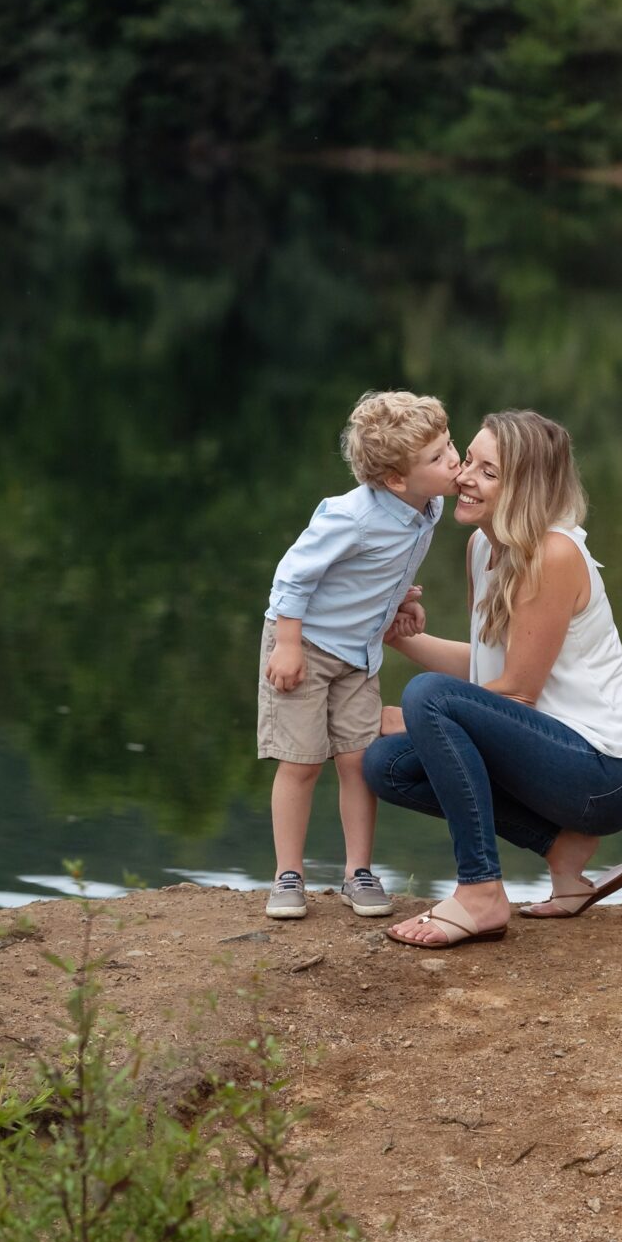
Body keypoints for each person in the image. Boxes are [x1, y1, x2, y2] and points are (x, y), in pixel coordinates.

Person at [362, 409, 622, 951]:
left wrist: (413, 716)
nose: (463, 477)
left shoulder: (553, 554)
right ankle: (562, 854)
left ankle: (480, 891)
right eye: (468, 461)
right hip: (552, 757)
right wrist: (400, 636)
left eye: (489, 471)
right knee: (386, 767)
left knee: (426, 700)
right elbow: (486, 673)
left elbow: (516, 692)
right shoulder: (484, 547)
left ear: (525, 488)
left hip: (606, 772)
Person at [258, 389, 461, 921]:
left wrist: (401, 602)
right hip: (304, 646)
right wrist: (286, 644)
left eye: (450, 446)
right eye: (438, 458)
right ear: (396, 479)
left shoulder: (431, 506)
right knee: (301, 762)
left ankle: (357, 873)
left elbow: (385, 568)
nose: (455, 460)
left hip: (361, 653)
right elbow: (293, 576)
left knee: (357, 761)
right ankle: (288, 875)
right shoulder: (351, 516)